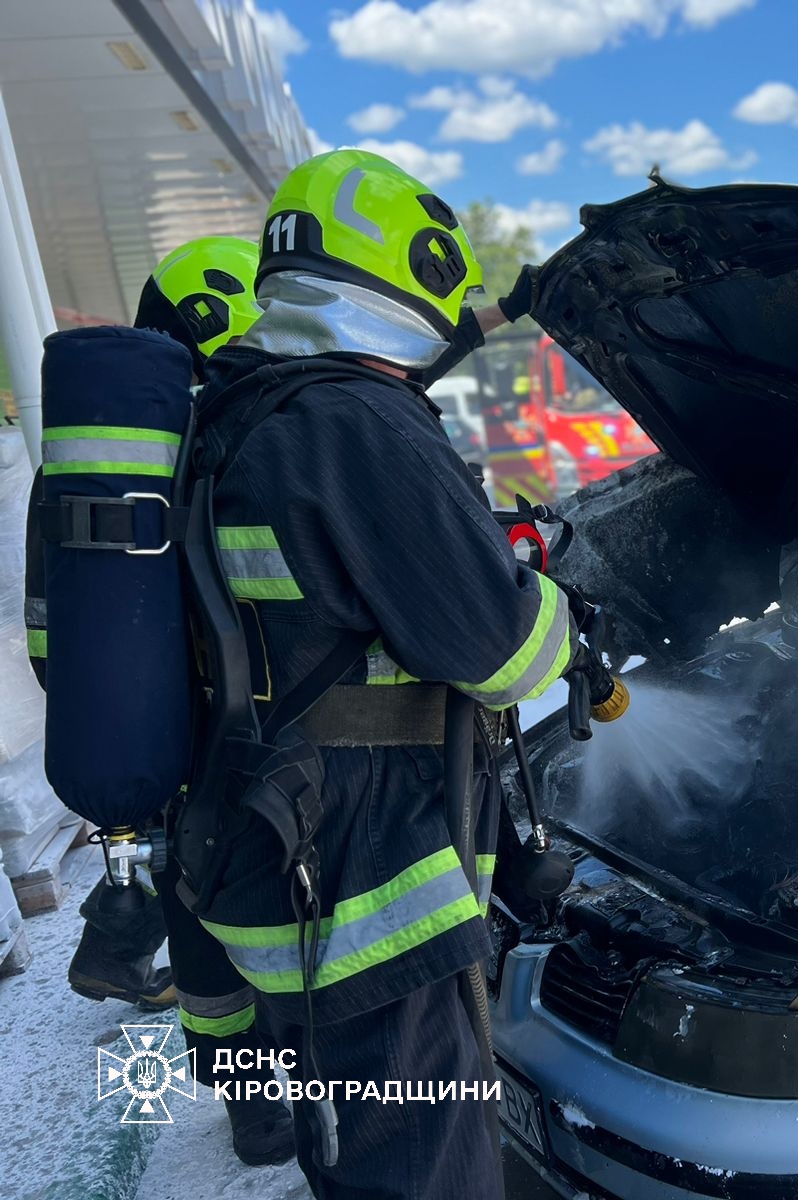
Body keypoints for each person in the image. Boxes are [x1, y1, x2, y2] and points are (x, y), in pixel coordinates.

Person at [184, 148, 572, 1199]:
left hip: (271, 855)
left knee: (354, 1152)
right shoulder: (357, 422)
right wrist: (559, 610)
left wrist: (514, 307)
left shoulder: (240, 408)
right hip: (366, 896)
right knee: (426, 1172)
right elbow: (504, 654)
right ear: (414, 266)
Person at [48, 236, 299, 1166]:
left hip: (156, 738)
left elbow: (50, 630)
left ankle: (252, 1111)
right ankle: (326, 1084)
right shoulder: (251, 436)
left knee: (194, 923)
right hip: (257, 730)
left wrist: (120, 708)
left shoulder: (92, 459)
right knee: (275, 908)